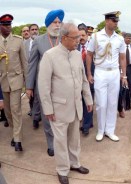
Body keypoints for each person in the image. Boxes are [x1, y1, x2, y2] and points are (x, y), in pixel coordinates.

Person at [38, 22, 93, 184]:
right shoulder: (50, 56)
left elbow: (83, 80)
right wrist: (47, 108)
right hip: (58, 108)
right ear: (64, 38)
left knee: (74, 138)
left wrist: (88, 99)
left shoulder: (76, 54)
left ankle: (75, 163)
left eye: (79, 37)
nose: (78, 40)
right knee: (60, 141)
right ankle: (62, 170)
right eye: (75, 37)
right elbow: (44, 85)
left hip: (76, 106)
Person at [26, 9, 64, 156]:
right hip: (44, 85)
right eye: (54, 22)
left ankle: (61, 141)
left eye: (59, 22)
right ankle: (51, 143)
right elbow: (32, 65)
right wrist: (29, 86)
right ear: (48, 24)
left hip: (61, 85)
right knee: (48, 115)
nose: (57, 25)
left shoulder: (64, 39)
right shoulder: (38, 41)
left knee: (60, 116)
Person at [86, 11, 128, 142]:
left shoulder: (120, 39)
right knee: (101, 103)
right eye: (114, 20)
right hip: (100, 71)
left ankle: (110, 130)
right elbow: (89, 54)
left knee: (112, 102)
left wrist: (124, 75)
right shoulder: (96, 36)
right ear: (107, 21)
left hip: (114, 72)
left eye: (117, 21)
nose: (116, 23)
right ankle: (100, 130)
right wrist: (89, 73)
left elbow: (122, 58)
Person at [0, 14, 27, 151]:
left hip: (16, 81)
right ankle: (13, 132)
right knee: (8, 112)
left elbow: (25, 63)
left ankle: (18, 139)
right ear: (0, 26)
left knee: (16, 109)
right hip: (3, 82)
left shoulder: (18, 40)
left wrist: (28, 84)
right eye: (5, 25)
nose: (8, 27)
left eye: (9, 24)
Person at [77, 23, 95, 135]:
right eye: (79, 36)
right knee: (80, 101)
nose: (81, 38)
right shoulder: (74, 48)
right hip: (78, 79)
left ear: (87, 35)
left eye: (83, 35)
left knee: (88, 100)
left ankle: (86, 126)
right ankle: (87, 122)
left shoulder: (93, 47)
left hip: (90, 78)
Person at [118, 33, 131, 118]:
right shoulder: (120, 47)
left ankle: (129, 98)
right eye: (127, 38)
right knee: (121, 87)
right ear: (124, 38)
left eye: (130, 38)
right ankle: (121, 105)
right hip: (122, 68)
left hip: (130, 68)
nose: (128, 40)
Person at [24, 23, 40, 121]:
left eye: (36, 29)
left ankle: (38, 114)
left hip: (40, 73)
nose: (34, 31)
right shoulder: (24, 43)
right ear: (29, 32)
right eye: (32, 29)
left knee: (40, 94)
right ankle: (33, 111)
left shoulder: (43, 41)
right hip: (28, 73)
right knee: (31, 94)